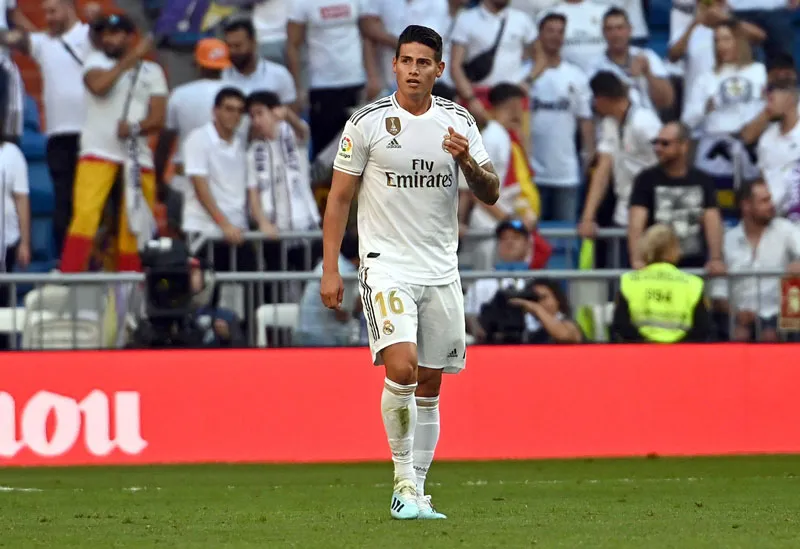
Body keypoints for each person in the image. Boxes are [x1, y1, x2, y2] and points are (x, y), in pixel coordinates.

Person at [320, 25, 499, 520]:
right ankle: (401, 481)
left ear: (440, 69)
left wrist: (467, 162)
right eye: (406, 61)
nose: (414, 70)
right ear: (394, 65)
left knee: (430, 383)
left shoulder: (458, 122)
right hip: (385, 265)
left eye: (424, 62)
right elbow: (338, 199)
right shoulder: (367, 123)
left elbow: (491, 192)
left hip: (441, 268)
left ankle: (417, 491)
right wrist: (330, 267)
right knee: (401, 366)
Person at [60, 14, 166, 272]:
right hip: (97, 151)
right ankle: (70, 277)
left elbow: (158, 117)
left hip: (136, 156)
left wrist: (135, 128)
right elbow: (99, 86)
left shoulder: (153, 71)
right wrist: (131, 60)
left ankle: (129, 289)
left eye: (117, 33)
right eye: (106, 34)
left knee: (134, 224)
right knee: (85, 215)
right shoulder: (94, 62)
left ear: (131, 37)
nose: (109, 39)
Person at [1, 0, 101, 258]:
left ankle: (99, 261)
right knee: (63, 204)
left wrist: (97, 19)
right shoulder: (42, 43)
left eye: (53, 11)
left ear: (69, 8)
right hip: (58, 136)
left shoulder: (89, 35)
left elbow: (113, 42)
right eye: (45, 12)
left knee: (95, 203)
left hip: (92, 134)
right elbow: (12, 38)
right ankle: (67, 262)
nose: (48, 17)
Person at [578, 71, 661, 265]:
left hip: (653, 211)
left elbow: (665, 160)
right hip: (624, 210)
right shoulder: (609, 123)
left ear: (602, 98)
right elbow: (603, 170)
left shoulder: (645, 122)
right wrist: (588, 217)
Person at [710, 179, 800, 342]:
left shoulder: (785, 229)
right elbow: (718, 291)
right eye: (764, 201)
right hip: (740, 316)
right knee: (738, 335)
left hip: (779, 315)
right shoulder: (728, 240)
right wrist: (735, 314)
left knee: (770, 334)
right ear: (746, 205)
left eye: (770, 199)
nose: (771, 205)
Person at [627, 121, 725, 271]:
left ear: (684, 146)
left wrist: (716, 258)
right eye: (656, 142)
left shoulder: (703, 180)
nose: (658, 148)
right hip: (656, 269)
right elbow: (636, 223)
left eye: (665, 144)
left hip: (693, 269)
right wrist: (636, 260)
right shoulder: (645, 179)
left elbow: (712, 220)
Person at [155, 38, 231, 206]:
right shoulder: (238, 95)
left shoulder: (180, 94)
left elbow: (164, 143)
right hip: (227, 182)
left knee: (182, 231)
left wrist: (158, 181)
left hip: (185, 181)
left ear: (197, 63)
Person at [611, 224, 711, 343]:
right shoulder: (692, 283)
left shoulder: (630, 281)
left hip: (640, 354)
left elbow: (621, 324)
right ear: (675, 249)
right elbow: (702, 327)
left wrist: (644, 344)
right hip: (682, 355)